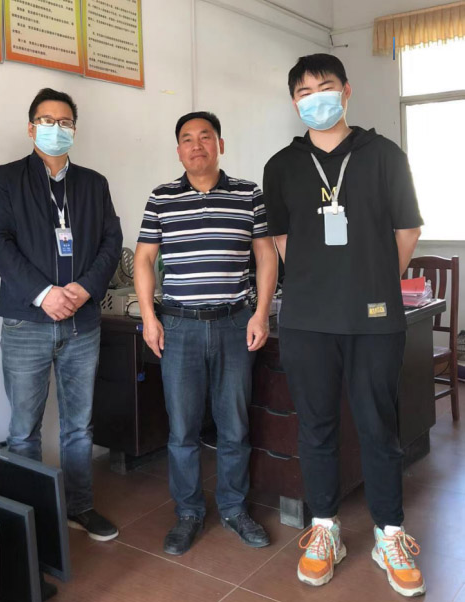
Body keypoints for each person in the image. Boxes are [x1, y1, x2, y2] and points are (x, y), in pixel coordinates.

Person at [262, 54, 425, 597]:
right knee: (316, 426)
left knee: (379, 425)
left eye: (326, 87)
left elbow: (407, 230)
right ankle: (325, 529)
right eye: (304, 92)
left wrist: (371, 282)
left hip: (374, 320)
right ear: (294, 102)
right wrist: (321, 284)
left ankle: (389, 533)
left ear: (347, 91)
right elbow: (282, 240)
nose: (316, 99)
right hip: (308, 321)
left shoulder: (384, 155)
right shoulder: (281, 166)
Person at [134, 111, 278, 556]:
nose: (196, 145)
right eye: (187, 139)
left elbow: (266, 256)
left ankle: (234, 508)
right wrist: (149, 317)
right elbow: (143, 259)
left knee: (234, 425)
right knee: (182, 428)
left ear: (220, 144)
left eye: (205, 137)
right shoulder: (161, 197)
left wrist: (261, 313)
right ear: (178, 150)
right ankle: (189, 512)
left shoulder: (249, 194)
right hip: (179, 326)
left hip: (235, 322)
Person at [0, 87, 122, 541]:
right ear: (31, 128)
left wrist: (84, 289)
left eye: (65, 122)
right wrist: (44, 294)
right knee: (24, 430)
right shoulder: (7, 179)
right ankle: (32, 520)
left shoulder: (94, 184)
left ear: (74, 130)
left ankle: (80, 506)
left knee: (79, 427)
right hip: (27, 321)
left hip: (82, 324)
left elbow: (110, 242)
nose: (55, 129)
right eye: (47, 121)